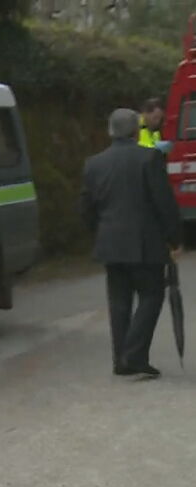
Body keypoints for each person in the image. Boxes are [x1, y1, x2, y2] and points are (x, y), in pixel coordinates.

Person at [80, 108, 183, 379]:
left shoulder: (93, 163)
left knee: (119, 302)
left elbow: (86, 208)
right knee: (152, 295)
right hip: (145, 243)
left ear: (111, 131)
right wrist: (175, 238)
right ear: (136, 131)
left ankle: (121, 360)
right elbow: (164, 203)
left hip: (110, 243)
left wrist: (100, 232)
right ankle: (134, 354)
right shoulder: (149, 157)